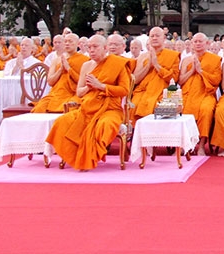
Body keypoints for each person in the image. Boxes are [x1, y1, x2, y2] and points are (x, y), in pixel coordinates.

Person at [45, 35, 132, 171]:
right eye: (89, 47)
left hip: (110, 109)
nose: (91, 50)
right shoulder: (86, 66)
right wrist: (89, 87)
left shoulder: (117, 64)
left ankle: (88, 158)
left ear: (105, 48)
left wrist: (101, 86)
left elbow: (124, 90)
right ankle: (76, 158)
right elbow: (79, 92)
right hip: (87, 108)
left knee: (105, 125)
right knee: (62, 122)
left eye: (95, 47)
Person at [179, 33, 223, 156]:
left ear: (207, 43)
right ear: (192, 44)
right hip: (188, 94)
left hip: (206, 94)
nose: (198, 44)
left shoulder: (215, 59)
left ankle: (202, 145)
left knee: (206, 110)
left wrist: (201, 71)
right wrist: (192, 71)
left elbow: (216, 80)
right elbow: (181, 81)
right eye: (195, 41)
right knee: (181, 109)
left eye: (200, 41)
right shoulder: (186, 60)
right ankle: (184, 145)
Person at [131, 26, 181, 122]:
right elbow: (135, 80)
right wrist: (149, 65)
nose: (154, 38)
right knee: (134, 106)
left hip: (162, 93)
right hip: (142, 93)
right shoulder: (143, 56)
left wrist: (157, 65)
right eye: (152, 36)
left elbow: (173, 79)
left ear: (164, 38)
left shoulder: (172, 55)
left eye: (157, 36)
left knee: (161, 107)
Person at [32, 33, 89, 113]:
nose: (67, 43)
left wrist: (68, 69)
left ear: (77, 44)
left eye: (70, 41)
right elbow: (50, 82)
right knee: (39, 108)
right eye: (65, 41)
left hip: (73, 94)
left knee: (70, 108)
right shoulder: (57, 60)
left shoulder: (85, 61)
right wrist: (60, 70)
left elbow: (84, 83)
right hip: (55, 95)